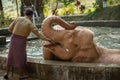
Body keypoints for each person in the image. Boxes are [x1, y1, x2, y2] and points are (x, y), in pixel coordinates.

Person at [3, 9, 52, 80]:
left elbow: (9, 29)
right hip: (21, 41)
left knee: (11, 55)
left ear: (25, 13)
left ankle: (6, 73)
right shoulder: (30, 24)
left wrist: (16, 32)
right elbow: (39, 35)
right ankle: (21, 75)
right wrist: (48, 39)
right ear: (31, 15)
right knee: (21, 57)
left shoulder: (18, 18)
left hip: (13, 38)